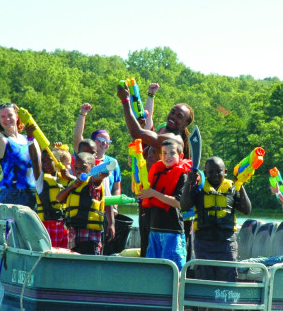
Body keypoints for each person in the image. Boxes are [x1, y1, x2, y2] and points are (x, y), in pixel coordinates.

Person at [118, 84, 195, 258]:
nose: (173, 116)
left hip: (159, 206)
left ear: (184, 124)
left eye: (179, 116)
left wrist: (125, 101)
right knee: (147, 249)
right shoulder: (163, 138)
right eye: (173, 112)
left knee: (151, 251)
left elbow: (136, 131)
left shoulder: (171, 139)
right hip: (148, 200)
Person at [181, 157, 252, 311]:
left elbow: (247, 209)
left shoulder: (233, 188)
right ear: (205, 173)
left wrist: (240, 183)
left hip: (226, 243)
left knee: (228, 279)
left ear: (225, 172)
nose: (214, 175)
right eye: (210, 172)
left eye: (218, 171)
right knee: (204, 278)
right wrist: (189, 184)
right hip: (204, 242)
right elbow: (184, 205)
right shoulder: (198, 190)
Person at [139, 138, 192, 269]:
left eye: (172, 153)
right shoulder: (157, 171)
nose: (167, 156)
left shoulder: (182, 176)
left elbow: (177, 203)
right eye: (164, 153)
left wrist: (153, 193)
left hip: (172, 231)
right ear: (160, 155)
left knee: (174, 270)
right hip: (154, 230)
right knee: (154, 270)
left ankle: (177, 290)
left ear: (180, 156)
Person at [73, 103, 120, 248]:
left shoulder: (113, 163)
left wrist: (115, 207)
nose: (105, 144)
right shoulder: (83, 159)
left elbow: (116, 188)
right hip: (83, 212)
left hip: (105, 210)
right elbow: (77, 138)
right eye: (101, 140)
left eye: (108, 141)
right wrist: (83, 114)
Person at [56, 152, 114, 255]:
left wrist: (102, 175)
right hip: (74, 237)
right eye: (76, 168)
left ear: (92, 168)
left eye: (83, 168)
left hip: (89, 238)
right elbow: (58, 198)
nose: (79, 171)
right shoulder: (73, 184)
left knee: (88, 266)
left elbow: (97, 179)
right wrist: (72, 186)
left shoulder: (92, 182)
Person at [28, 133, 73, 249]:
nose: (45, 164)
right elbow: (34, 159)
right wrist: (30, 138)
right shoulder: (40, 180)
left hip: (64, 225)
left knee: (65, 253)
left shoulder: (67, 179)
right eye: (43, 161)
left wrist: (58, 150)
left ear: (57, 162)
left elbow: (82, 183)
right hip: (47, 224)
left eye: (49, 161)